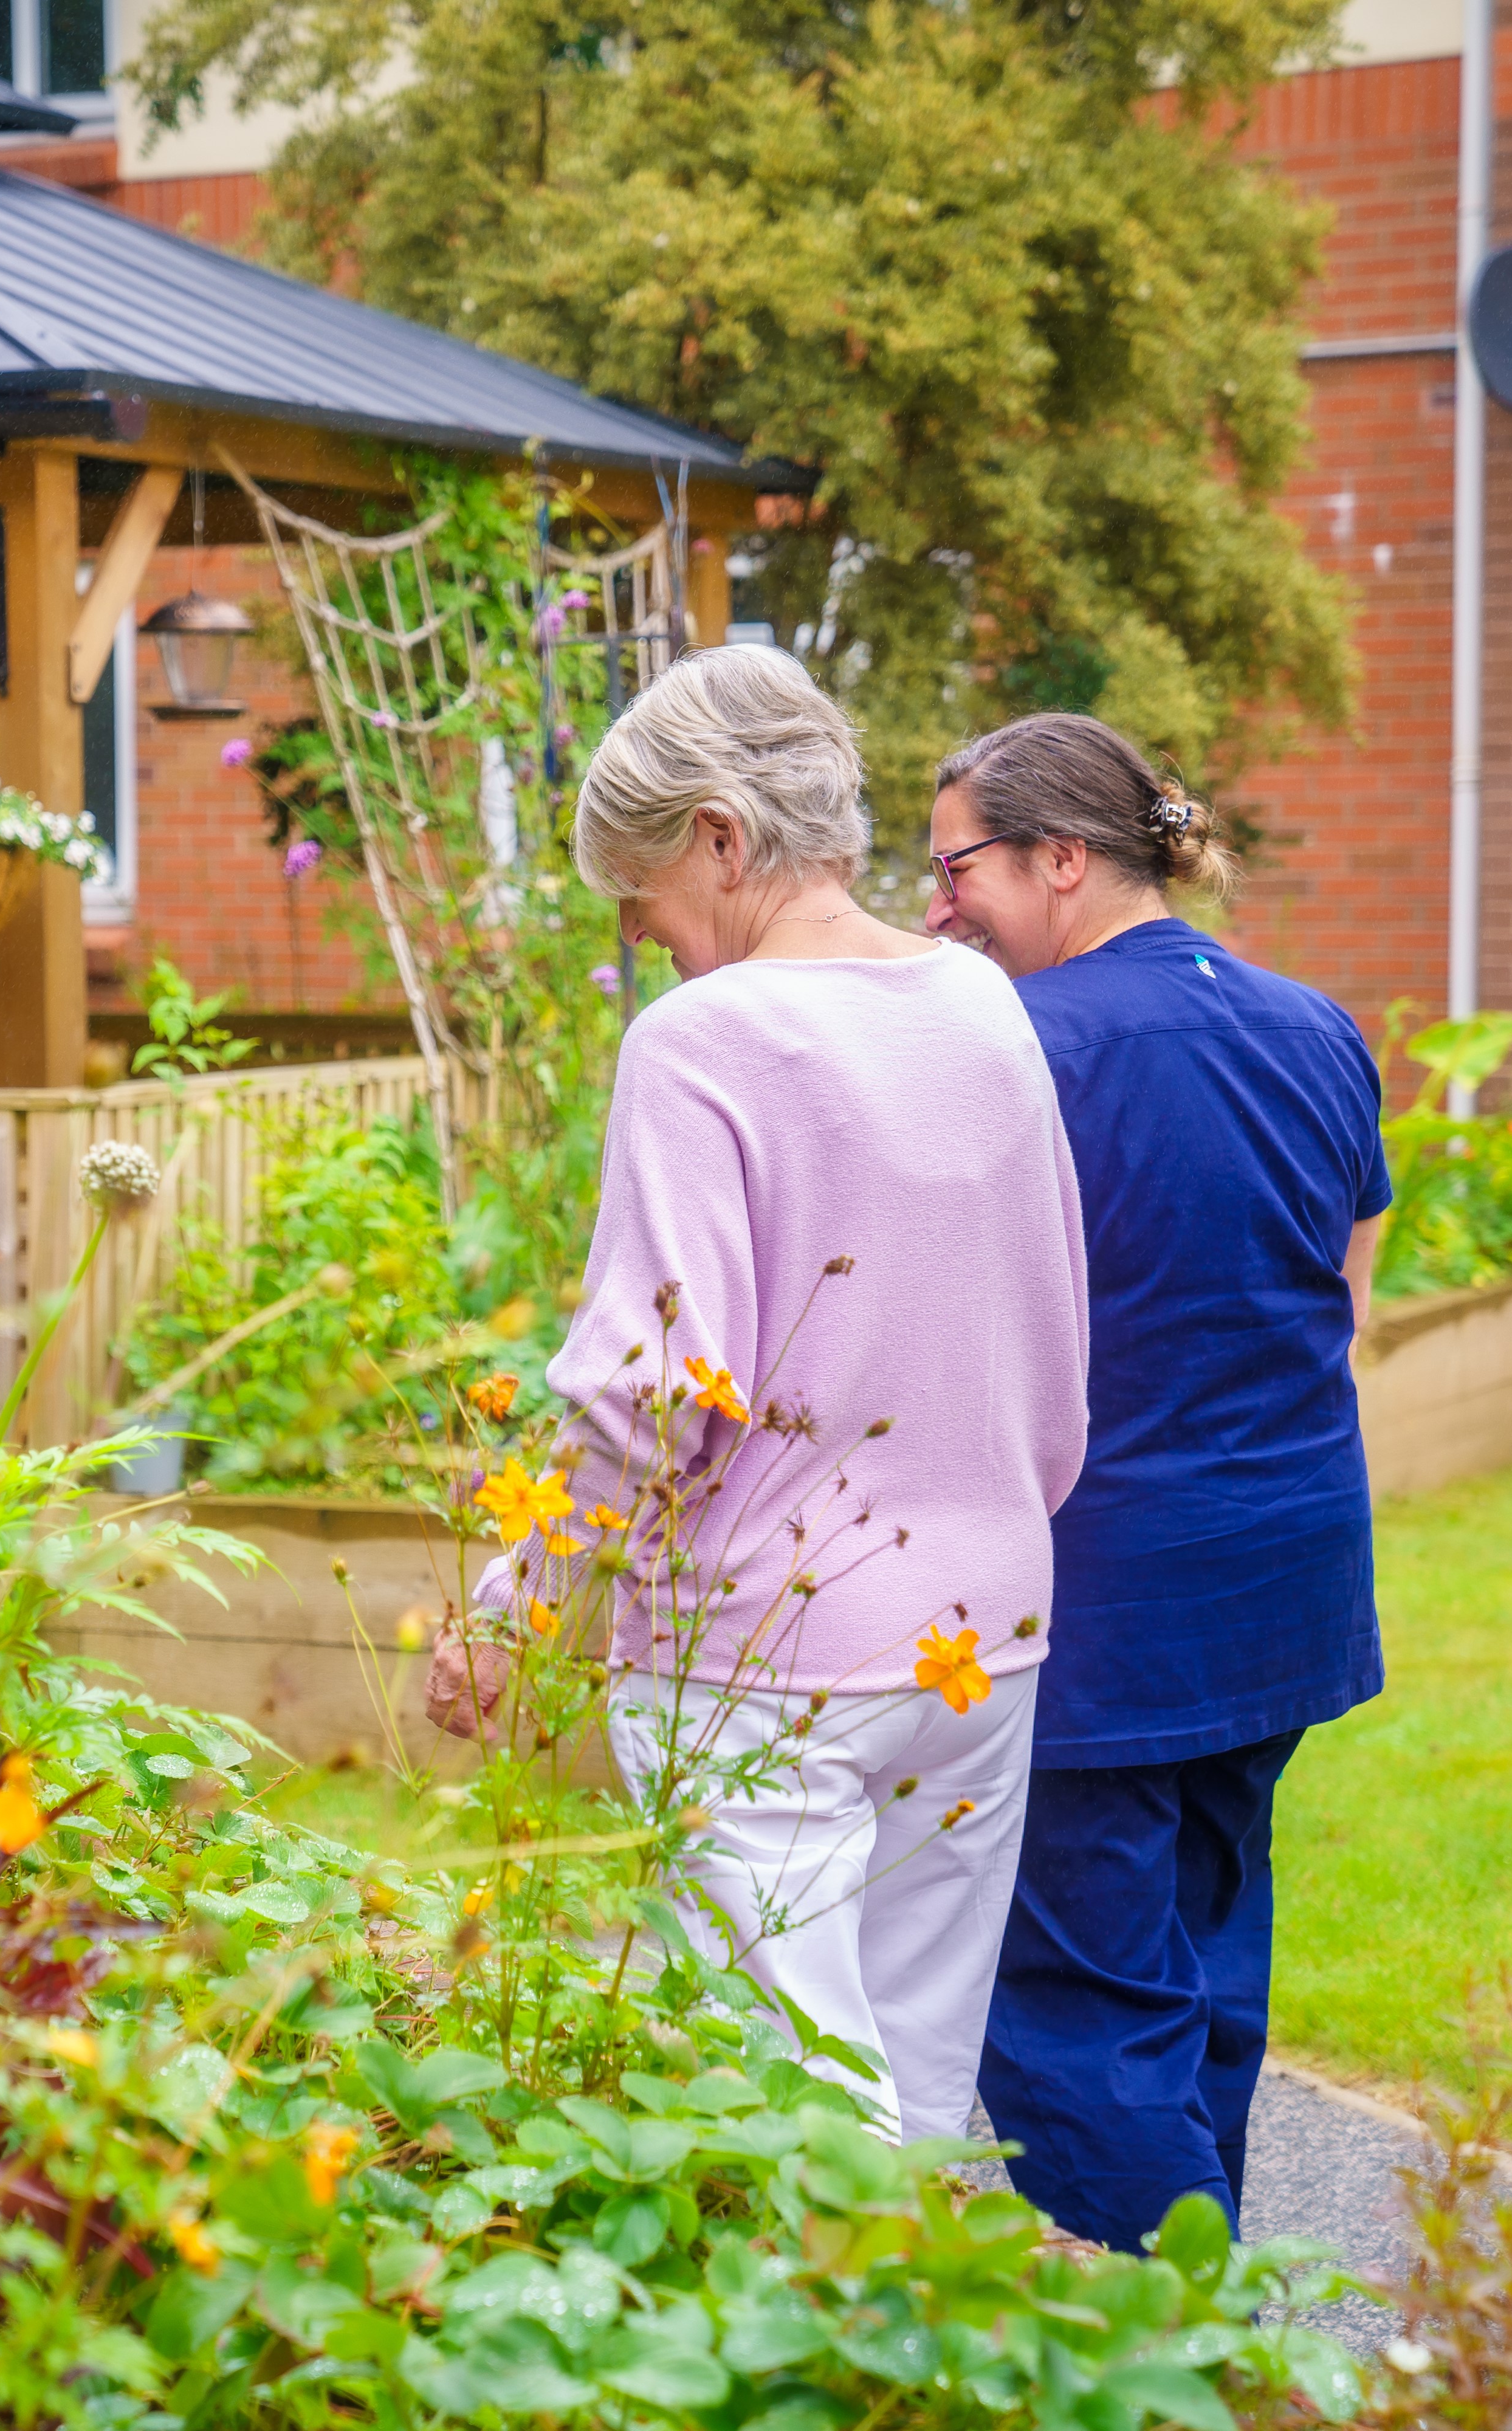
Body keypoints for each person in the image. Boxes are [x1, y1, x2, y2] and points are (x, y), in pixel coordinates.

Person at [424, 646, 1090, 2139]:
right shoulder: (988, 1007)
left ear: (722, 837)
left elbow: (650, 1397)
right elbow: (1056, 1349)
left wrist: (519, 1605)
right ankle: (911, 2362)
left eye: (641, 893)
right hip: (985, 1636)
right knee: (915, 2089)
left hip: (764, 1654)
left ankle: (821, 2366)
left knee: (786, 2117)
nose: (644, 937)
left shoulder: (701, 1041)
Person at [923, 711, 1391, 2250]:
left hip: (1107, 1603)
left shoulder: (1025, 1049)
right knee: (1201, 1962)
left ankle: (1172, 2341)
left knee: (1072, 2007)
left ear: (1064, 860)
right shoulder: (1318, 1024)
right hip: (1285, 1583)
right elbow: (1350, 1295)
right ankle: (1208, 2282)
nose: (935, 904)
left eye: (957, 865)